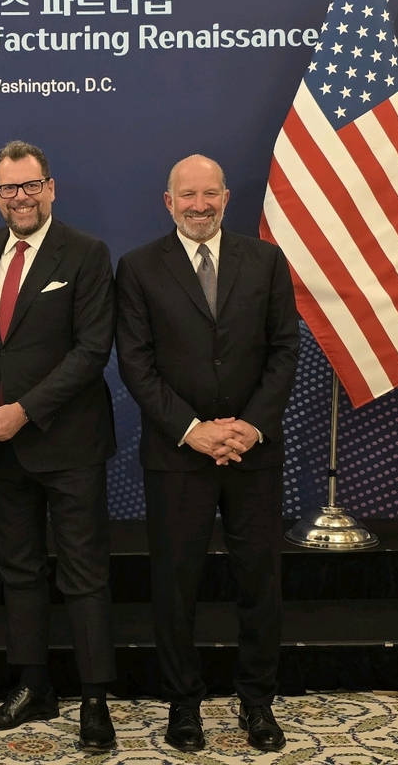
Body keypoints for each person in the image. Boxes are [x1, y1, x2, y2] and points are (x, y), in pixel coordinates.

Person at [114, 154, 300, 753]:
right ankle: (183, 705)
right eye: (186, 196)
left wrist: (250, 426)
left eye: (209, 194)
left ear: (225, 198)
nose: (199, 205)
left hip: (253, 452)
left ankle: (257, 703)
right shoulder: (139, 268)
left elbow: (284, 349)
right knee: (176, 585)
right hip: (177, 455)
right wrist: (192, 429)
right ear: (168, 203)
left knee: (258, 582)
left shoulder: (266, 260)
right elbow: (135, 364)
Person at [0, 140, 118, 752]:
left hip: (67, 442)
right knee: (18, 570)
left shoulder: (88, 253)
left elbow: (92, 351)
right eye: (8, 189)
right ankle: (32, 686)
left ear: (50, 188)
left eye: (30, 186)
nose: (20, 198)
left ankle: (95, 698)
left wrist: (23, 411)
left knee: (83, 574)